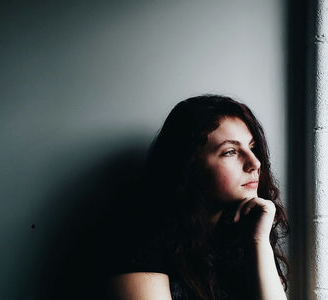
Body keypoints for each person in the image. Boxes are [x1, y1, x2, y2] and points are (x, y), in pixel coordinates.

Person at [106, 95, 289, 300]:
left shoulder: (241, 233)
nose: (254, 163)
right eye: (230, 152)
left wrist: (259, 240)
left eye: (252, 147)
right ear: (190, 166)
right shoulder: (141, 239)